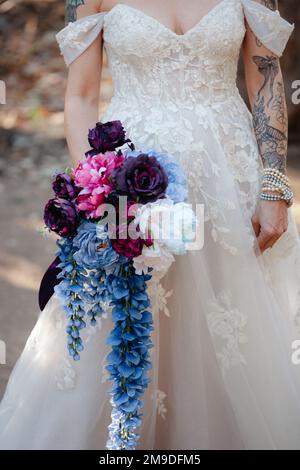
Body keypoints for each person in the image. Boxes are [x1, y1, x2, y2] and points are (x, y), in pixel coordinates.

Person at [1, 0, 300, 450]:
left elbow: (266, 80)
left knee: (231, 326)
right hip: (131, 182)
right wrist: (100, 190)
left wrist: (274, 187)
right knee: (122, 319)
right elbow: (80, 97)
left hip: (230, 186)